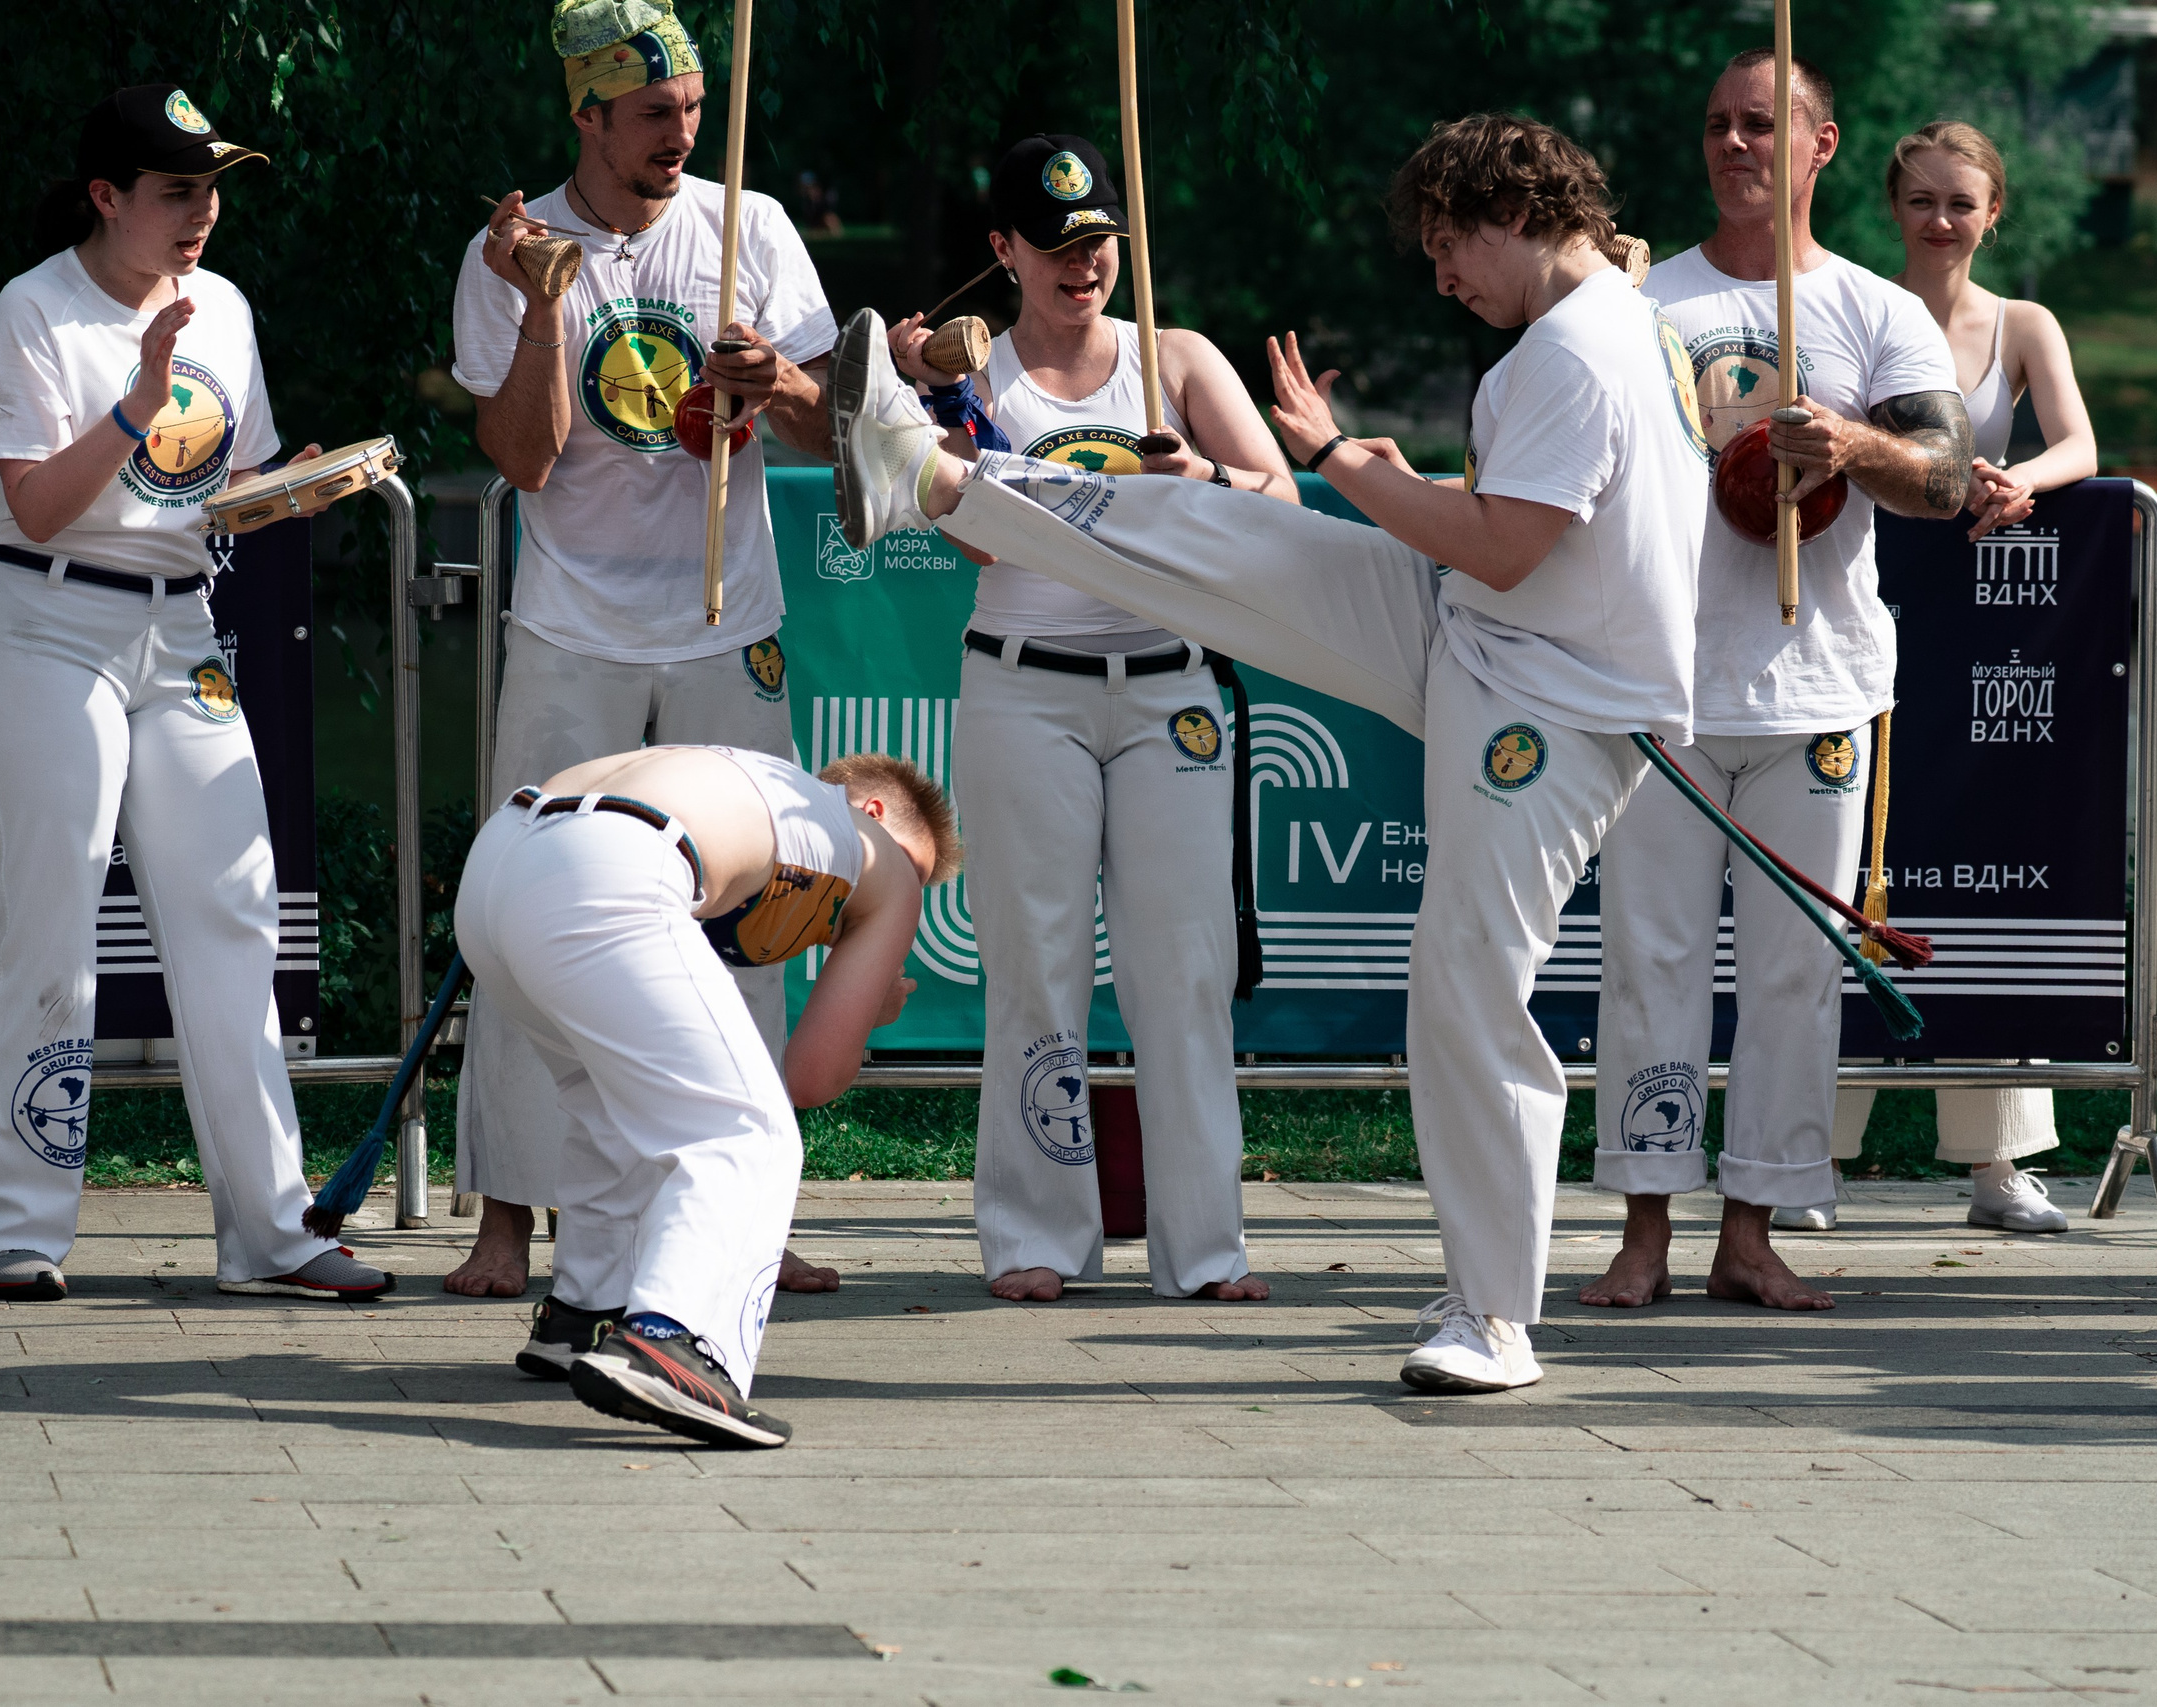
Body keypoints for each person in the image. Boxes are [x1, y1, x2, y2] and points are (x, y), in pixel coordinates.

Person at [834, 112, 1708, 1394]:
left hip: (1542, 703)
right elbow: (1515, 539)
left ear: (1515, 216)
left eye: (1446, 245)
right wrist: (1371, 486)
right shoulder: (1613, 322)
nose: (1439, 277)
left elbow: (1506, 547)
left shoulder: (1579, 347)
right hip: (1493, 646)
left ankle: (1492, 1317)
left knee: (1466, 991)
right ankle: (931, 473)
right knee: (1223, 539)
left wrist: (1340, 459)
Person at [0, 86, 388, 1303]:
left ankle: (272, 1235)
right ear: (107, 196)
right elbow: (39, 506)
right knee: (48, 915)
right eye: (177, 191)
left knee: (235, 912)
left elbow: (228, 487)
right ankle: (19, 1229)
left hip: (179, 625)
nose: (202, 213)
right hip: (43, 621)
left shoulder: (226, 307)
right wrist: (134, 405)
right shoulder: (32, 311)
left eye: (212, 190)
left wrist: (292, 489)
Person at [446, 0, 842, 1302]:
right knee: (532, 912)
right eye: (653, 114)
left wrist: (778, 381)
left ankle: (752, 1216)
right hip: (573, 628)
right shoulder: (513, 250)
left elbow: (828, 430)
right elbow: (526, 459)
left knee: (757, 908)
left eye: (692, 110)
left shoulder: (750, 227)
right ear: (587, 115)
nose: (680, 135)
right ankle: (510, 1219)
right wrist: (543, 306)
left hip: (730, 622)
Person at [1579, 52, 1971, 1310]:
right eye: (1717, 125)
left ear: (1820, 144)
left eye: (1760, 124)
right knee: (1649, 960)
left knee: (1796, 970)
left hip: (1817, 688)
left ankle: (1752, 1229)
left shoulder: (1875, 311)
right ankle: (1644, 1226)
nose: (1735, 144)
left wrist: (1849, 443)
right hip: (1664, 688)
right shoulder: (1640, 300)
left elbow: (1946, 477)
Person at [885, 134, 1294, 1304]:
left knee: (1185, 973)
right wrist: (935, 405)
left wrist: (1202, 482)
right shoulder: (975, 375)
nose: (1085, 263)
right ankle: (1035, 1237)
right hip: (1025, 686)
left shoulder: (1177, 357)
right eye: (1057, 244)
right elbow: (969, 532)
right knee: (1034, 967)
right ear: (1003, 250)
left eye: (1102, 240)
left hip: (1172, 690)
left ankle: (1204, 1250)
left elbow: (1278, 496)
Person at [457, 744, 957, 1446]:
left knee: (609, 1104)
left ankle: (585, 1313)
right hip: (616, 860)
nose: (910, 886)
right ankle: (670, 1336)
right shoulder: (880, 859)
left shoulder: (755, 791)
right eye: (918, 867)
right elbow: (811, 1076)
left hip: (502, 857)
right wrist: (872, 1002)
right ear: (872, 811)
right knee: (748, 1131)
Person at [1812, 118, 2102, 1235]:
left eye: (1961, 203)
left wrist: (2017, 481)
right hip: (1851, 617)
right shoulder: (1848, 309)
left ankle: (1996, 1163)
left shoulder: (2024, 324)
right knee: (1846, 866)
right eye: (1921, 199)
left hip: (1977, 632)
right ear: (1893, 206)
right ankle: (1806, 1155)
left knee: (1984, 865)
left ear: (1993, 214)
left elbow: (2078, 445)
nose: (1940, 220)